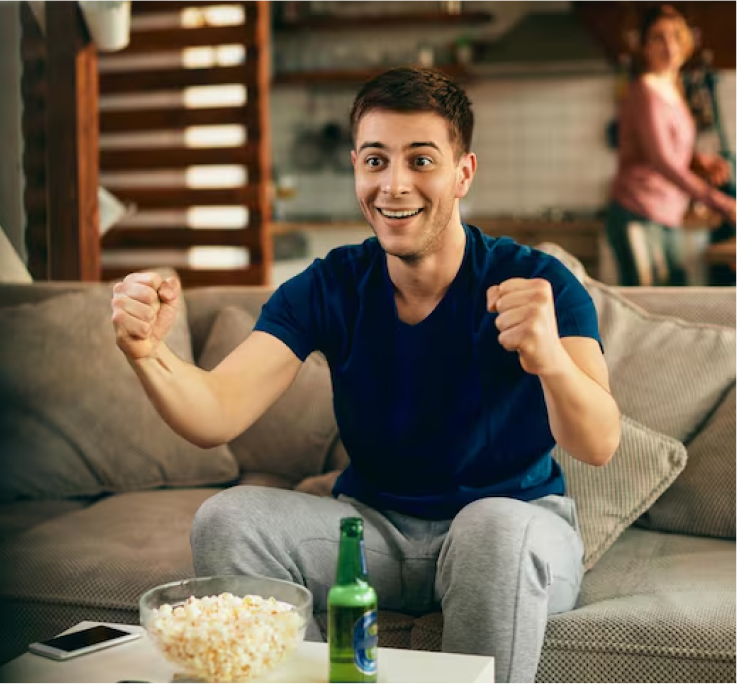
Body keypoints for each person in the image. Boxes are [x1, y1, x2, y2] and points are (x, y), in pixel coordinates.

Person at [111, 66, 622, 684]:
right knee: (228, 519)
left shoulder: (540, 283)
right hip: (373, 532)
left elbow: (599, 444)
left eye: (421, 160)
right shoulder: (329, 286)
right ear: (356, 168)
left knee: (491, 527)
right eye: (376, 161)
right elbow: (215, 411)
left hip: (514, 528)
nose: (394, 185)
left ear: (463, 173)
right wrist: (148, 352)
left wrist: (550, 360)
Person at [606, 3, 737, 286]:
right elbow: (662, 161)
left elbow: (671, 151)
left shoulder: (673, 89)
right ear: (644, 46)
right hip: (638, 211)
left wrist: (699, 161)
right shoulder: (644, 90)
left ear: (686, 42)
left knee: (672, 295)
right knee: (648, 303)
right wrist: (723, 203)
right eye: (658, 38)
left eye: (675, 36)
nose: (669, 45)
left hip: (668, 213)